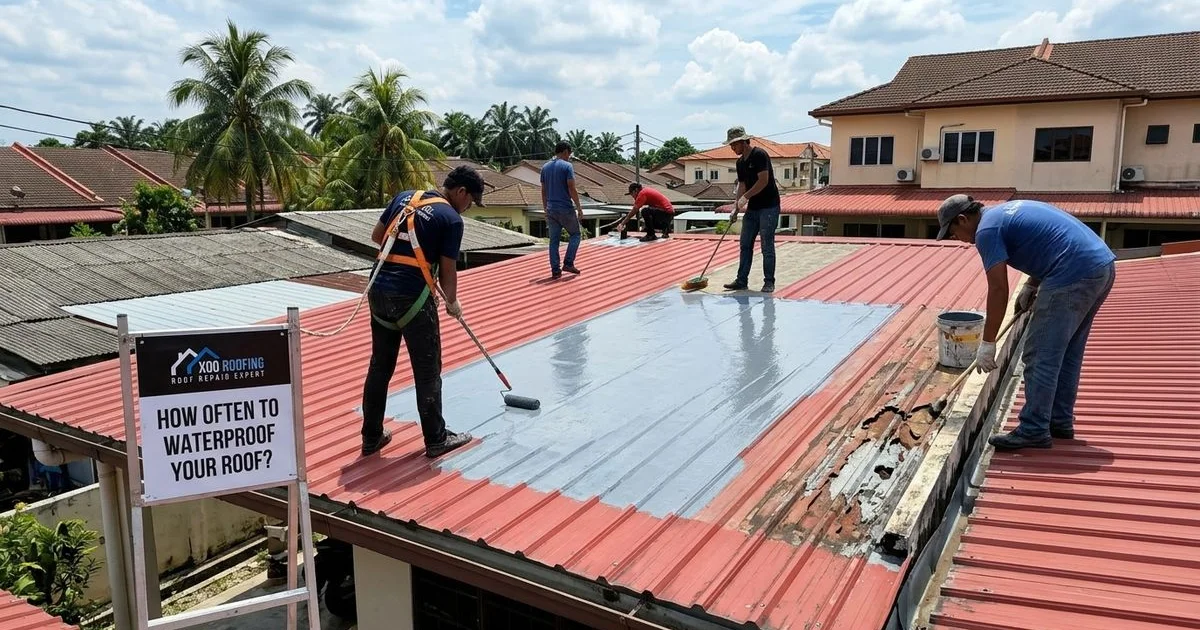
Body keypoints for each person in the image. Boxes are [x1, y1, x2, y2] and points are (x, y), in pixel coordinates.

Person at [936, 195, 1117, 451]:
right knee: (1066, 353)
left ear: (963, 219)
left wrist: (987, 343)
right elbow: (1045, 244)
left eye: (953, 232)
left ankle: (1033, 429)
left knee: (1040, 354)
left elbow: (998, 289)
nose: (958, 239)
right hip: (1100, 268)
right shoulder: (1005, 213)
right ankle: (1059, 421)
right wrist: (1032, 285)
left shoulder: (986, 231)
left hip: (1072, 273)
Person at [360, 165, 487, 459]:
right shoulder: (451, 220)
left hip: (378, 290)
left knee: (380, 366)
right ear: (461, 192)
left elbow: (378, 236)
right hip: (411, 298)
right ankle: (436, 439)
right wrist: (452, 301)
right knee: (428, 370)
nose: (468, 209)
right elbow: (447, 269)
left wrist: (411, 252)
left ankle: (371, 437)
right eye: (471, 202)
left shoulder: (405, 197)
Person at [723, 126, 781, 293]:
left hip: (769, 206)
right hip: (753, 209)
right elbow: (742, 184)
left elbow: (763, 181)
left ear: (742, 142)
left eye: (734, 145)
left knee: (766, 245)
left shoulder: (759, 155)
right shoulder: (740, 162)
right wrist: (736, 206)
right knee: (745, 243)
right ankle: (741, 280)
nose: (732, 148)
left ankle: (769, 281)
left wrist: (745, 197)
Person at [540, 142, 585, 278]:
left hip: (551, 209)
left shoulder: (545, 167)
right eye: (569, 154)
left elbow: (543, 190)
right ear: (565, 152)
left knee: (554, 241)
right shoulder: (567, 166)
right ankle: (568, 262)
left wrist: (545, 209)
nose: (569, 157)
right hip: (565, 208)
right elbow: (571, 188)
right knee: (576, 235)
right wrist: (579, 207)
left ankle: (555, 270)